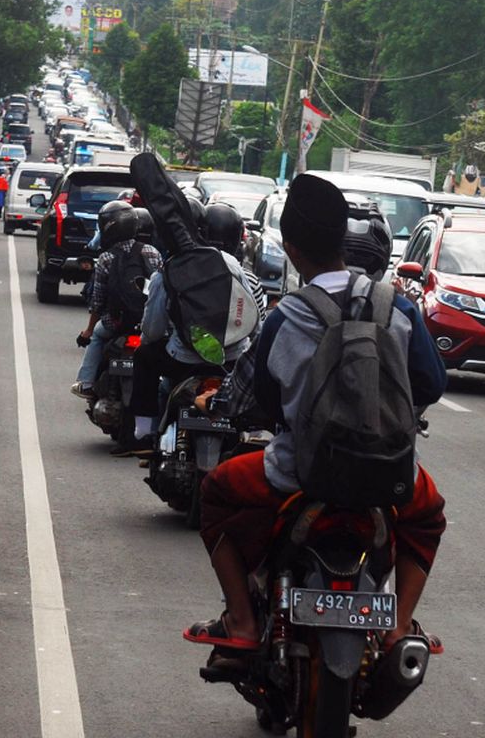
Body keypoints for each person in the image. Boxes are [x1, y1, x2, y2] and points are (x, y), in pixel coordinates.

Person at [183, 174, 448, 653]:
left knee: (216, 493)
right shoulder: (399, 309)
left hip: (296, 475)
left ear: (291, 248)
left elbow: (250, 400)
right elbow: (432, 383)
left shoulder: (287, 316)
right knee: (428, 516)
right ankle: (399, 626)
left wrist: (223, 405)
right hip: (390, 476)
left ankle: (241, 621)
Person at [120, 203, 264, 454]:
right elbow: (253, 319)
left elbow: (152, 331)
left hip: (183, 360)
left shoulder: (168, 269)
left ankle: (143, 432)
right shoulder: (231, 263)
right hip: (231, 359)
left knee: (144, 355)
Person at [71, 200, 161, 399]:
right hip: (149, 324)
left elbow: (98, 300)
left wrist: (87, 331)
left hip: (116, 323)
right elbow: (161, 292)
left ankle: (85, 383)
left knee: (96, 335)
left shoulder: (106, 258)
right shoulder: (152, 252)